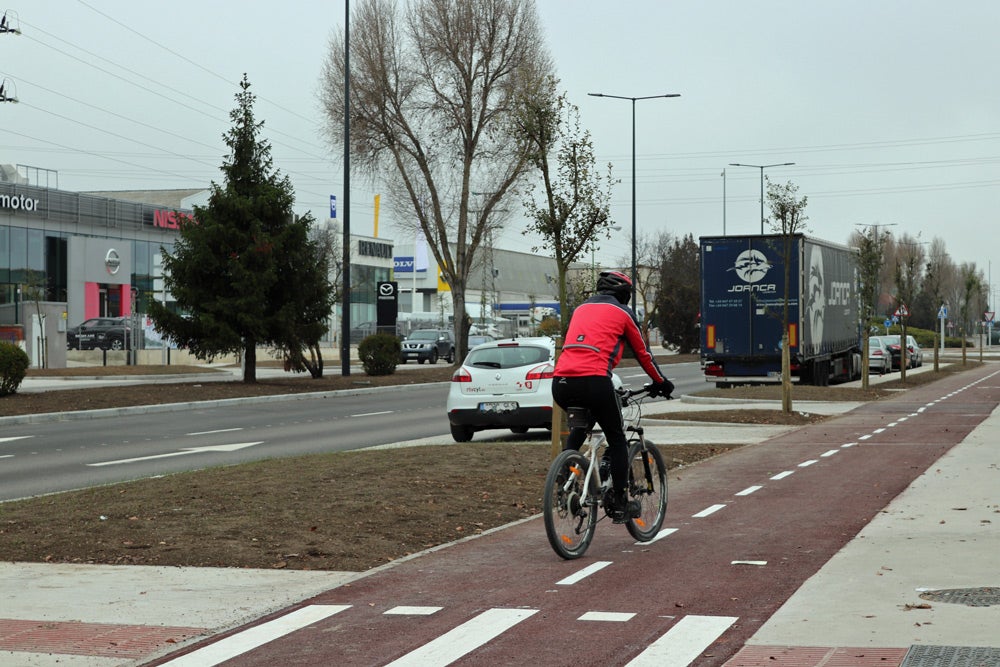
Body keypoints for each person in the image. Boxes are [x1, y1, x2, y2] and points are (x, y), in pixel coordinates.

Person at [551, 270, 674, 523]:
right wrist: (661, 382)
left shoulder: (580, 309)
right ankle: (619, 502)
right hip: (595, 381)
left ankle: (564, 478)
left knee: (580, 426)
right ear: (624, 295)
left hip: (561, 382)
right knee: (617, 439)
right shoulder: (623, 312)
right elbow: (643, 354)